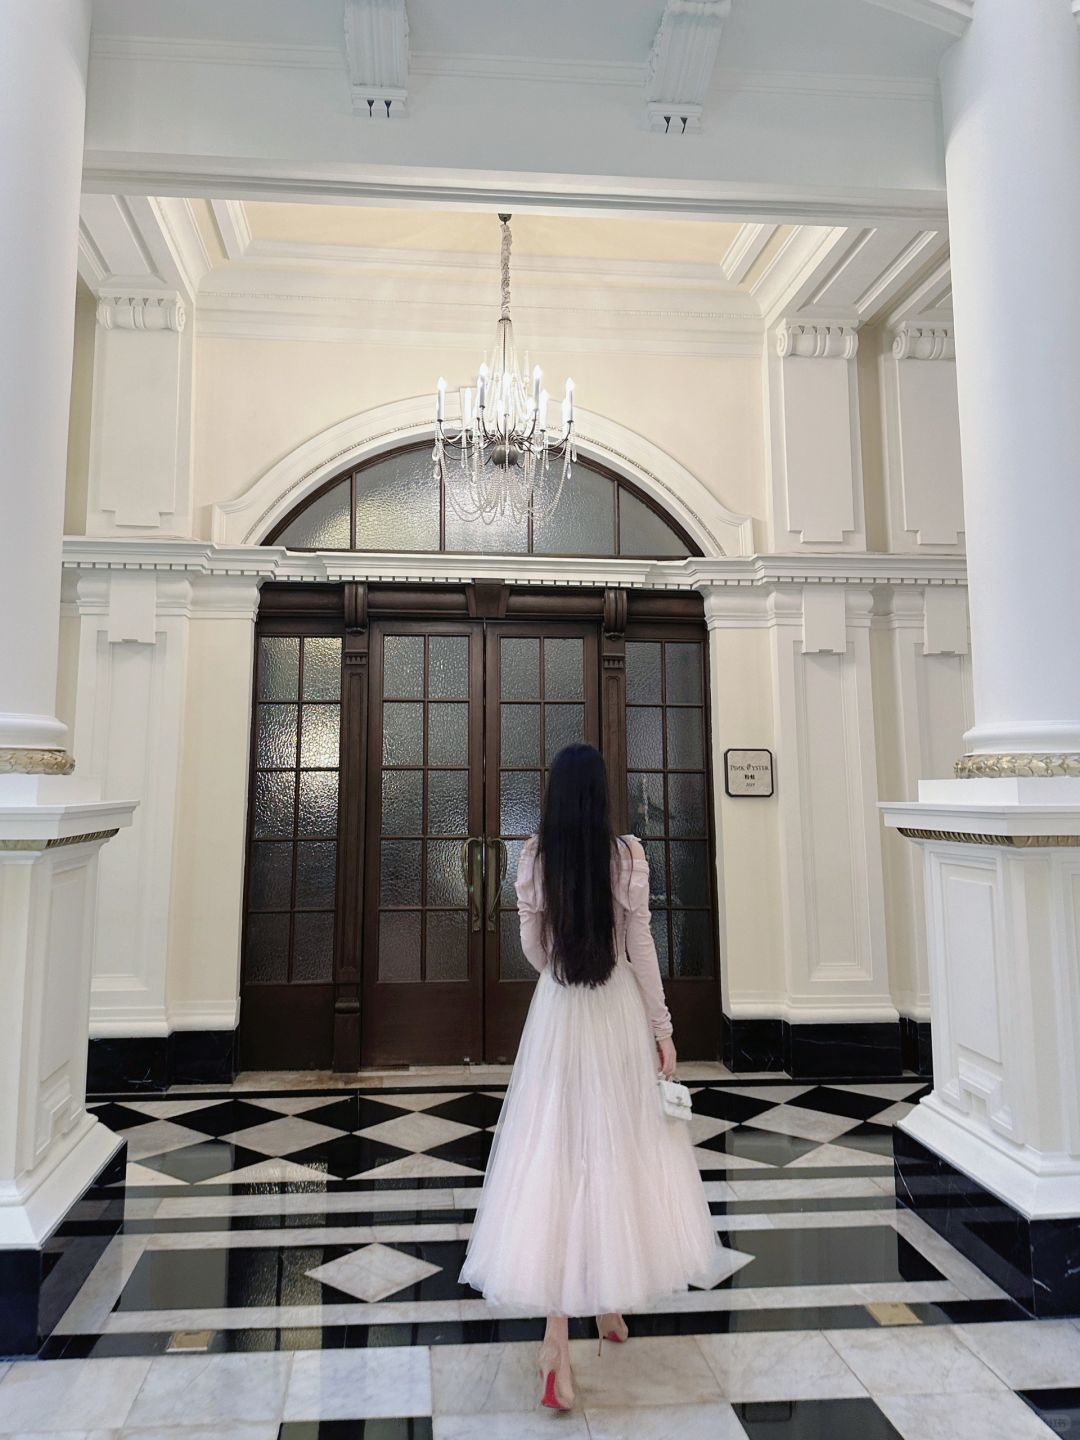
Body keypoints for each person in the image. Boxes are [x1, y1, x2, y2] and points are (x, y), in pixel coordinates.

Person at [458, 743, 721, 1411]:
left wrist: (557, 970)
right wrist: (662, 1029)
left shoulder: (535, 856)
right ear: (601, 796)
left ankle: (560, 1341)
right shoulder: (627, 856)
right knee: (615, 1150)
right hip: (615, 1013)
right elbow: (641, 947)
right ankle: (602, 1304)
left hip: (560, 1011)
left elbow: (529, 943)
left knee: (555, 1154)